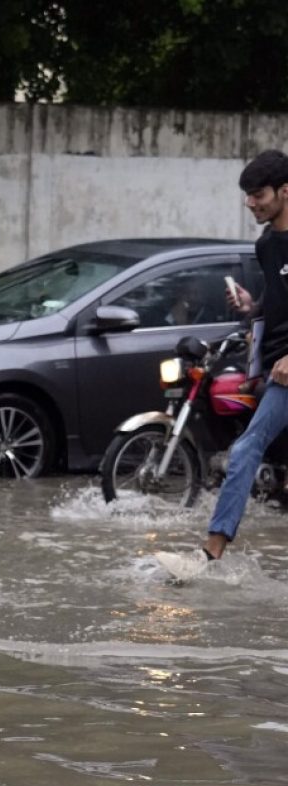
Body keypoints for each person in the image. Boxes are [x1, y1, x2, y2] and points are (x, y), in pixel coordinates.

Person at [156, 149, 288, 579]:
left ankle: (207, 557)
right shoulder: (267, 245)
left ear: (285, 191)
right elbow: (278, 302)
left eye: (259, 194)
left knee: (246, 448)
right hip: (274, 371)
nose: (251, 202)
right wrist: (253, 307)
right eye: (247, 195)